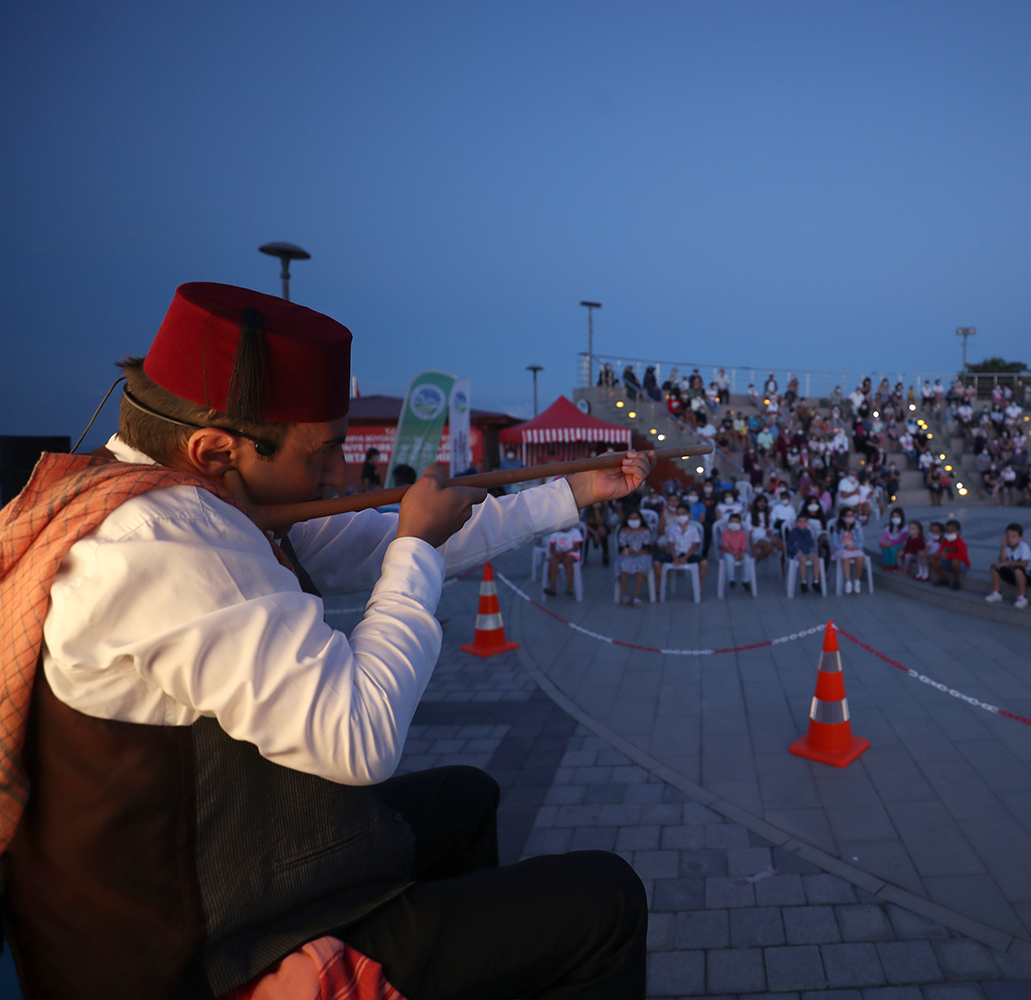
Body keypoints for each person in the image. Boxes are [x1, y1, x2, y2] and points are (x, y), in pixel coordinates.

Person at [1, 282, 649, 999]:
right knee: (607, 898)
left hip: (230, 863)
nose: (339, 475)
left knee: (465, 798)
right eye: (323, 451)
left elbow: (381, 542)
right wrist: (414, 550)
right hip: (191, 947)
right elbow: (358, 736)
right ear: (216, 448)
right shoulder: (155, 542)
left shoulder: (197, 493)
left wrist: (571, 493)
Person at [985, 523, 1031, 608]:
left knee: (1018, 570)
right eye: (1008, 536)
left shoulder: (1024, 546)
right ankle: (997, 592)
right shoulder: (1008, 547)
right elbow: (1001, 560)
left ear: (1020, 538)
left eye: (1013, 536)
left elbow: (1024, 563)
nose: (1010, 539)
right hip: (1014, 575)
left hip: (1028, 576)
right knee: (995, 566)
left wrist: (1007, 563)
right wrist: (1004, 547)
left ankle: (1022, 597)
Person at [657, 505, 706, 592]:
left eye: (683, 514)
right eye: (678, 514)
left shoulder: (694, 529)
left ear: (689, 515)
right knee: (657, 563)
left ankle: (699, 589)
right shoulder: (672, 529)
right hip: (675, 553)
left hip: (689, 554)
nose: (681, 516)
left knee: (704, 563)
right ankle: (660, 588)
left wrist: (685, 558)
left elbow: (694, 546)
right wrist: (675, 558)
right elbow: (671, 546)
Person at [617, 511, 654, 606]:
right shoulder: (623, 530)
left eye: (636, 518)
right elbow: (622, 547)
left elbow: (647, 549)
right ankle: (624, 595)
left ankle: (636, 596)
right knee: (623, 565)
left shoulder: (645, 531)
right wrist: (626, 551)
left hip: (642, 555)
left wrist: (635, 551)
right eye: (631, 519)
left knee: (641, 566)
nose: (634, 521)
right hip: (628, 555)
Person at [543, 523, 584, 596]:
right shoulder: (555, 533)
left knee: (568, 562)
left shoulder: (575, 532)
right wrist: (555, 552)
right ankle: (553, 588)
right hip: (558, 554)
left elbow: (576, 548)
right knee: (552, 562)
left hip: (571, 554)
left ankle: (569, 587)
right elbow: (552, 547)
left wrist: (564, 552)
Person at [786, 513, 822, 593]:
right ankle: (804, 582)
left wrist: (805, 533)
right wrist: (796, 550)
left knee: (816, 560)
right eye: (800, 521)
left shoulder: (808, 532)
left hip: (808, 551)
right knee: (803, 560)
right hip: (797, 552)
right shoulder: (793, 532)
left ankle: (816, 581)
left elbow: (811, 543)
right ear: (796, 523)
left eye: (804, 522)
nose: (802, 524)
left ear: (807, 523)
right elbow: (790, 544)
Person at [931, 519, 970, 591]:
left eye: (952, 531)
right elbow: (940, 551)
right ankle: (943, 578)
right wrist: (937, 554)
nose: (949, 533)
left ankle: (956, 581)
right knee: (933, 560)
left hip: (961, 566)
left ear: (958, 532)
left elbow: (962, 556)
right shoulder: (945, 540)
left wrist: (948, 555)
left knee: (955, 561)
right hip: (948, 563)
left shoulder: (960, 542)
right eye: (947, 531)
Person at [719, 512, 751, 590]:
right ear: (729, 523)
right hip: (728, 553)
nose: (734, 524)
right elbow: (726, 547)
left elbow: (744, 546)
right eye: (732, 522)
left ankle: (746, 581)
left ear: (740, 523)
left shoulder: (742, 534)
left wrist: (742, 553)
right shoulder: (725, 533)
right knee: (730, 560)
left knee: (747, 559)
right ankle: (731, 580)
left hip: (739, 552)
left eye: (737, 522)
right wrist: (734, 555)